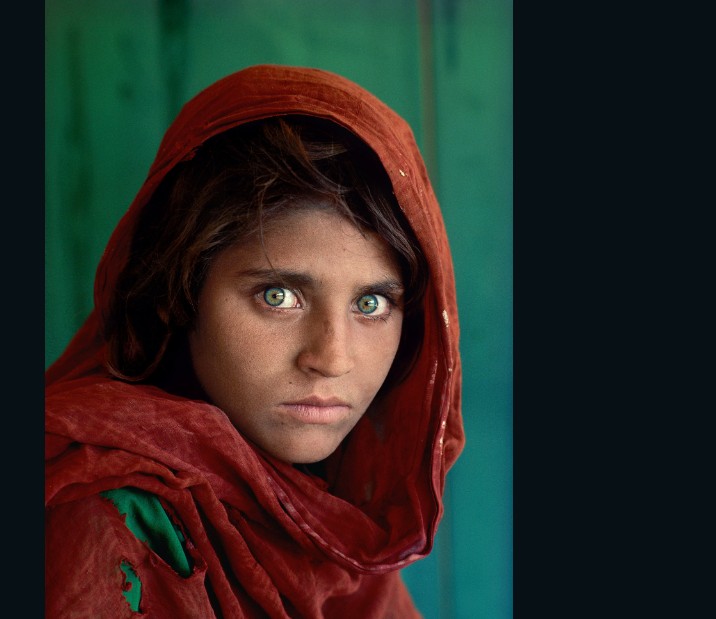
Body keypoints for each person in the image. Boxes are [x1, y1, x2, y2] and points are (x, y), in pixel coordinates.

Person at [45, 64, 464, 618]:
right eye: (278, 297)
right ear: (180, 289)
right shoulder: (108, 518)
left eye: (371, 304)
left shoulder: (330, 520)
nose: (332, 358)